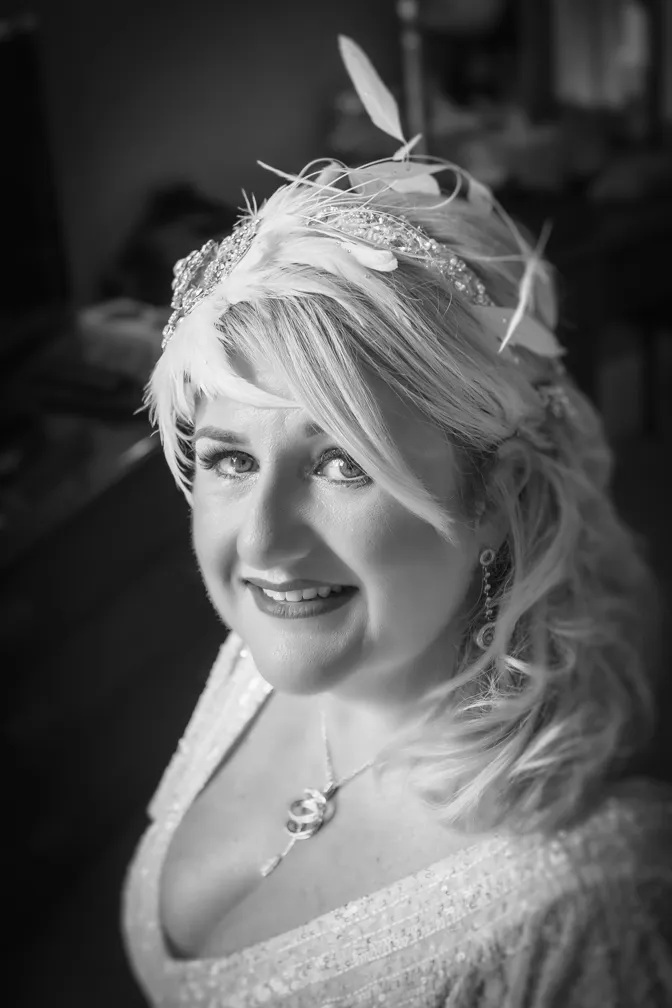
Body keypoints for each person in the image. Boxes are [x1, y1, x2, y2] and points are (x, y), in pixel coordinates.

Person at [122, 36, 672, 1007]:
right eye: (231, 459)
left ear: (496, 498)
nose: (261, 546)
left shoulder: (588, 904)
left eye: (344, 462)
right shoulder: (268, 650)